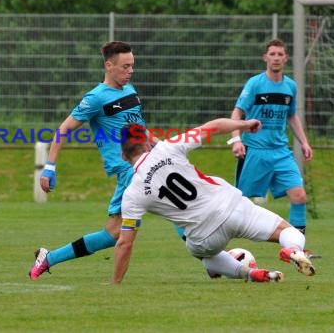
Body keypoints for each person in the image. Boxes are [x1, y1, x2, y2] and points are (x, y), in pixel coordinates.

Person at [111, 119, 316, 284]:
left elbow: (125, 243)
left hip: (204, 237)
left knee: (203, 254)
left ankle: (248, 273)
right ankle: (293, 250)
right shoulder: (168, 147)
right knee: (288, 232)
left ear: (123, 156)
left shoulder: (132, 194)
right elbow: (213, 127)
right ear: (147, 143)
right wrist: (243, 125)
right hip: (233, 208)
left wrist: (116, 282)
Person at [29, 41, 170, 280]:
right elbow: (63, 129)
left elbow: (140, 130)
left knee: (115, 232)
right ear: (109, 66)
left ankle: (49, 258)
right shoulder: (95, 98)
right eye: (125, 66)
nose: (130, 71)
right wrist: (49, 168)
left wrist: (163, 146)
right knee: (175, 209)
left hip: (146, 163)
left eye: (132, 66)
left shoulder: (130, 90)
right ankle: (224, 262)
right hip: (129, 169)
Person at [229, 38, 313, 234]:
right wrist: (236, 140)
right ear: (265, 57)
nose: (276, 58)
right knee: (237, 203)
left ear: (286, 59)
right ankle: (209, 238)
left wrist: (304, 142)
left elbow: (291, 115)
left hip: (281, 152)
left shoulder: (290, 86)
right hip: (255, 151)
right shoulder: (255, 84)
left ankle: (297, 249)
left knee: (299, 196)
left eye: (280, 54)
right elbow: (237, 113)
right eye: (272, 54)